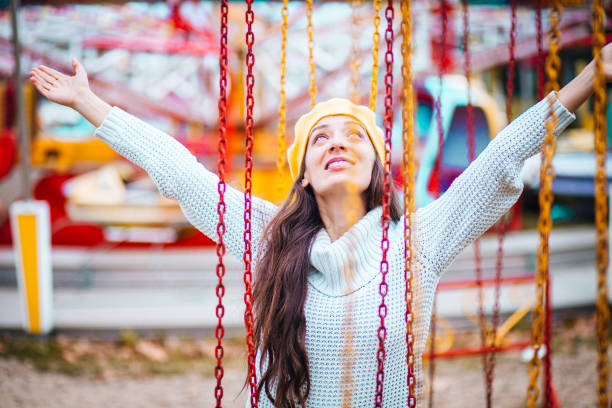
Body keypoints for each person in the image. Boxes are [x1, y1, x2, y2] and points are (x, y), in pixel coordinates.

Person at [30, 43, 612, 407]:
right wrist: (90, 105)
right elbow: (178, 172)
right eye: (322, 139)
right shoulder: (270, 238)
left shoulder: (417, 244)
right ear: (303, 174)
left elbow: (500, 160)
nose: (338, 143)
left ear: (377, 168)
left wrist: (588, 77)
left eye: (354, 136)